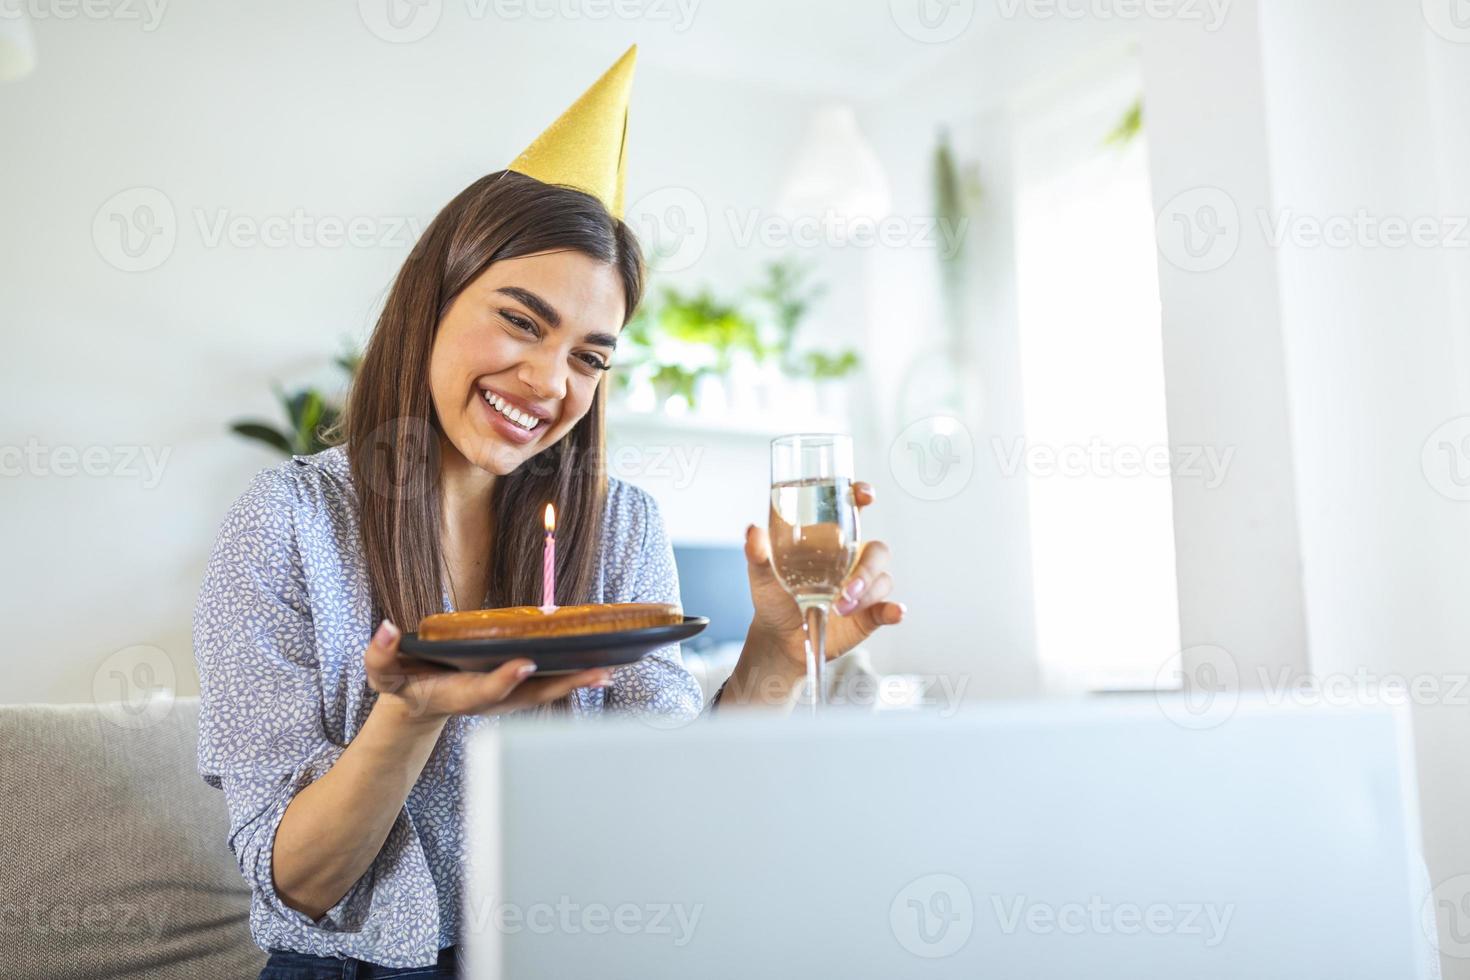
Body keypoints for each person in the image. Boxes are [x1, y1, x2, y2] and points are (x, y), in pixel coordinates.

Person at [193, 45, 904, 977]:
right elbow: (300, 882)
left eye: (590, 356)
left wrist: (776, 655)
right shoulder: (287, 524)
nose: (548, 382)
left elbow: (680, 814)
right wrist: (408, 717)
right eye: (522, 321)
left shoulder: (621, 528)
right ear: (433, 300)